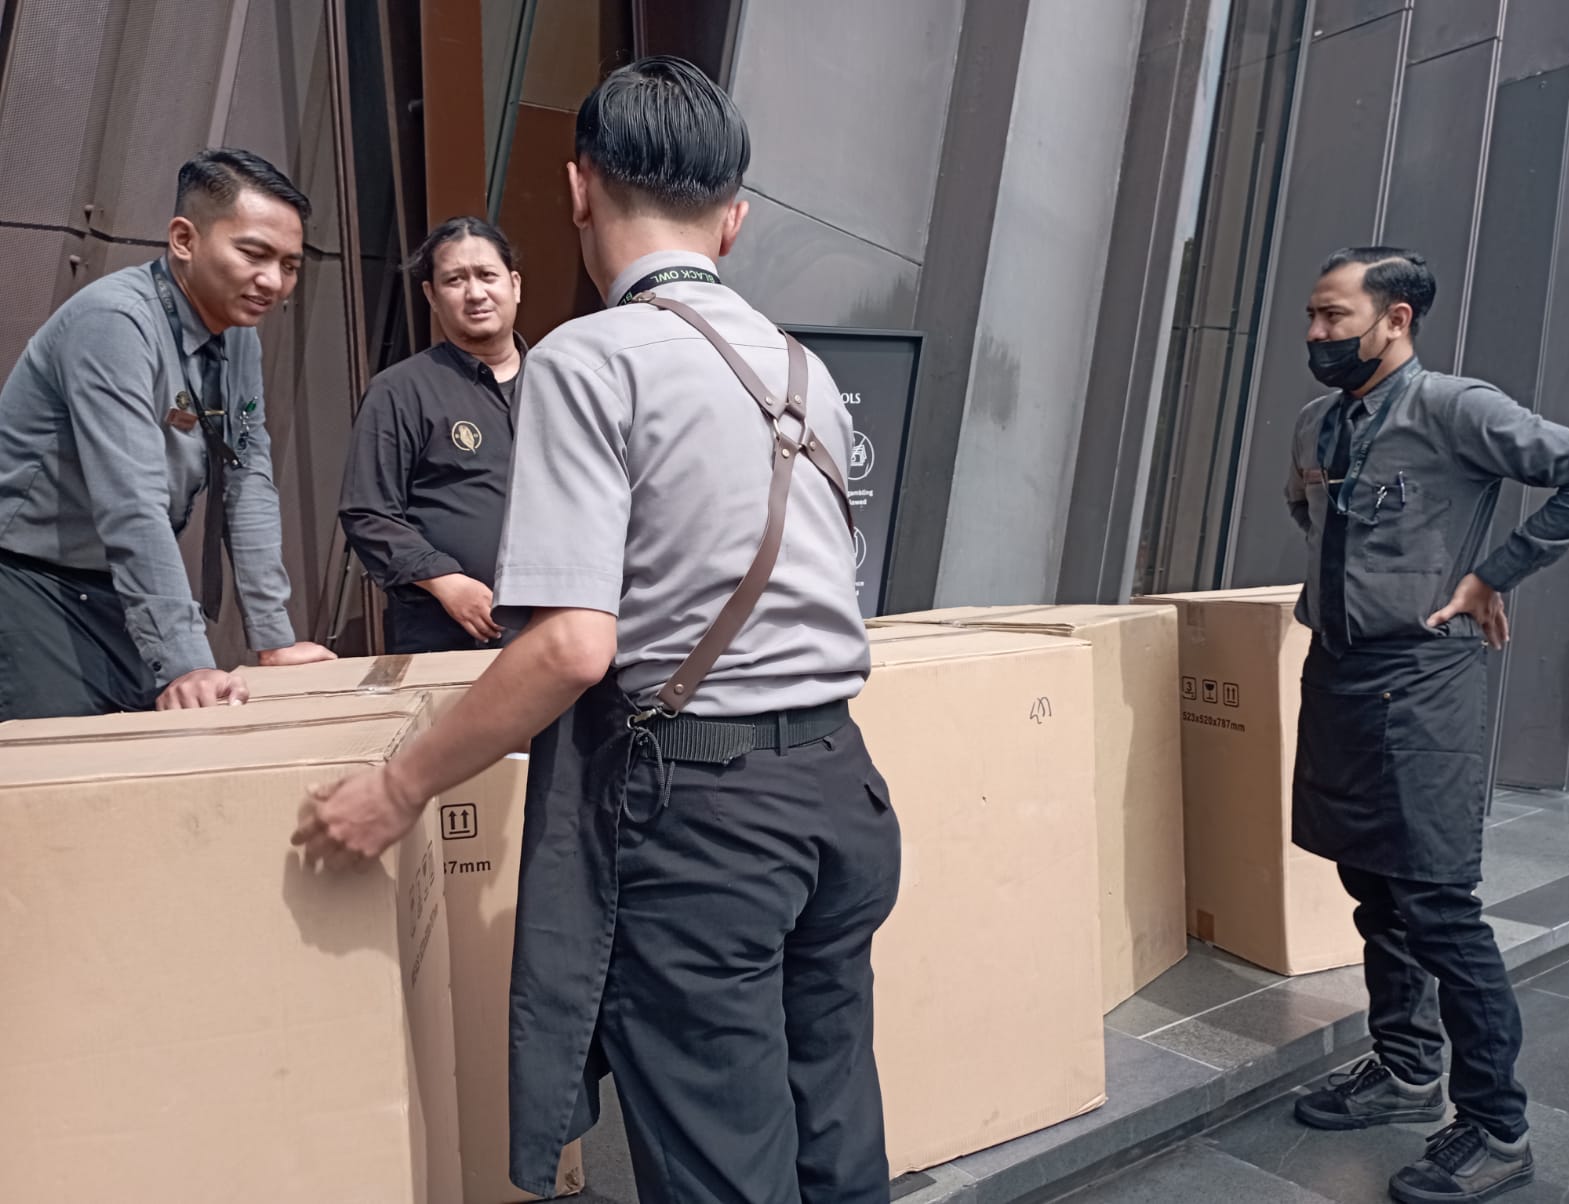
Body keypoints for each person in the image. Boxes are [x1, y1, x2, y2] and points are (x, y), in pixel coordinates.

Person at [293, 56, 901, 1202]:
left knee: (723, 1162)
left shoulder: (587, 358)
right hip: (841, 792)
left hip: (708, 821)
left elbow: (574, 644)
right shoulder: (801, 369)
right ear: (734, 219)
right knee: (834, 1129)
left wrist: (400, 784)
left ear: (578, 189)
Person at [1285, 246, 1569, 1203]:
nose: (1317, 334)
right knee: (1370, 885)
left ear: (1397, 320)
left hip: (1422, 681)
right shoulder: (1316, 422)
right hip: (1339, 675)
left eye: (1336, 317)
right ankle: (1405, 1066)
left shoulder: (1457, 408)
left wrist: (1490, 575)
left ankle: (1498, 1128)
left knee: (1436, 904)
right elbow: (1315, 519)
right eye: (1313, 316)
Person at [0, 148, 335, 720]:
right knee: (63, 764)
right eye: (254, 254)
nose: (273, 282)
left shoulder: (239, 335)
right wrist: (186, 663)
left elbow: (248, 479)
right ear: (184, 239)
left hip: (118, 589)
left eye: (290, 265)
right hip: (29, 582)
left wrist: (273, 638)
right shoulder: (115, 321)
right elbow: (131, 501)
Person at [339, 217, 526, 653]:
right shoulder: (400, 390)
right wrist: (446, 581)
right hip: (447, 635)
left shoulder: (560, 382)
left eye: (487, 275)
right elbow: (368, 512)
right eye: (455, 280)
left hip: (556, 635)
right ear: (431, 295)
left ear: (514, 285)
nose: (475, 293)